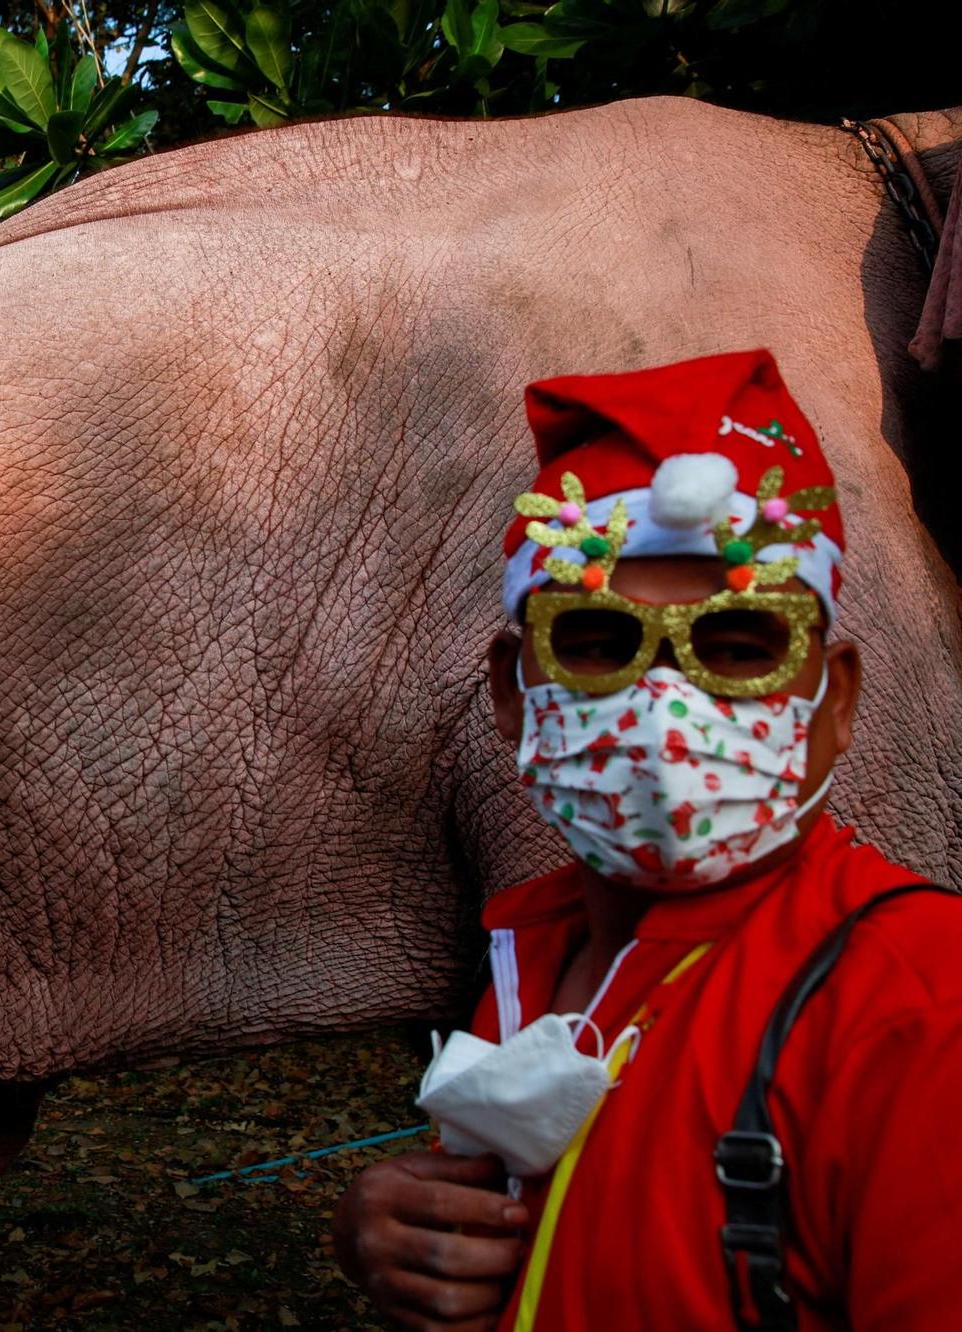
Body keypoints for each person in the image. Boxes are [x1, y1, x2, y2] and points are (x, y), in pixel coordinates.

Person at [333, 349, 962, 1331]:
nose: (664, 709)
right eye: (595, 642)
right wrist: (400, 1232)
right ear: (512, 691)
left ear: (831, 701)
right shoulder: (530, 952)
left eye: (738, 647)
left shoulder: (918, 1012)